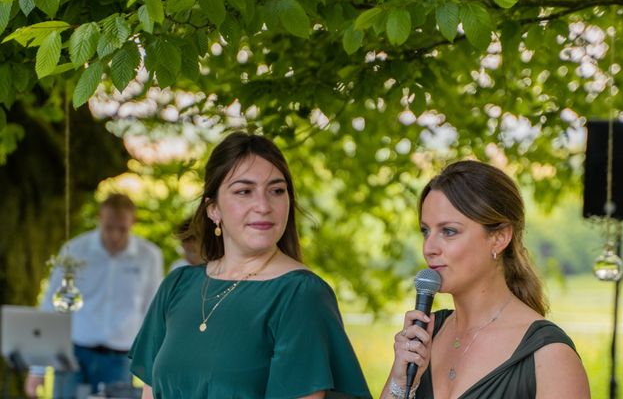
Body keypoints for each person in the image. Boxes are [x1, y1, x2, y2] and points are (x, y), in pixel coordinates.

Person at [129, 132, 371, 398]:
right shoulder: (177, 285)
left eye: (276, 191)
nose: (263, 205)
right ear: (213, 209)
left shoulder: (300, 293)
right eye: (244, 191)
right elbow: (150, 393)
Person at [381, 161, 590, 399]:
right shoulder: (427, 334)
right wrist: (400, 383)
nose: (429, 248)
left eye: (448, 231)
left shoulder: (549, 356)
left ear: (499, 238)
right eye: (425, 231)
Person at [25, 193, 164, 398]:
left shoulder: (149, 256)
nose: (115, 236)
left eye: (122, 229)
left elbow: (153, 313)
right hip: (72, 353)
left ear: (133, 222)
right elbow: (51, 307)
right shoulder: (74, 250)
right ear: (100, 218)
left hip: (121, 357)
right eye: (109, 228)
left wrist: (153, 367)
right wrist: (37, 368)